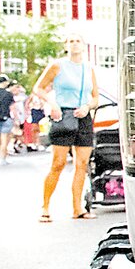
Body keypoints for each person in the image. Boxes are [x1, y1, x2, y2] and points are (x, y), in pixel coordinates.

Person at [32, 36, 99, 221]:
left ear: (84, 45)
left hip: (83, 116)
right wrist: (52, 103)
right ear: (66, 46)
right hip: (63, 115)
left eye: (78, 40)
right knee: (58, 163)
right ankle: (45, 207)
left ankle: (77, 208)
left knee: (82, 164)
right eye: (71, 41)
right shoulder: (58, 66)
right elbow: (38, 88)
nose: (75, 43)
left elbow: (95, 97)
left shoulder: (88, 69)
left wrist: (88, 106)